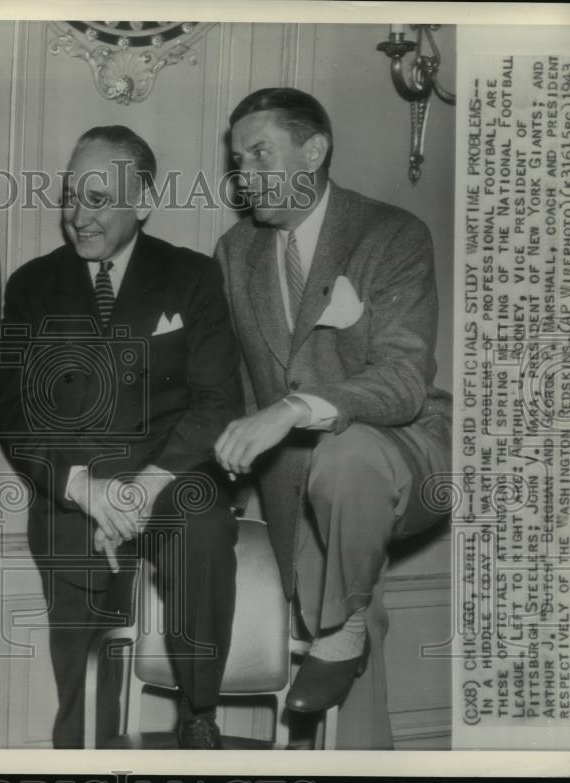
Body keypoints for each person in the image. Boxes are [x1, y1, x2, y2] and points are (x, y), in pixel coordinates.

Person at [213, 87, 452, 748]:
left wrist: (292, 407)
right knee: (350, 626)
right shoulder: (236, 253)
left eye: (261, 153)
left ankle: (340, 632)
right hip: (296, 489)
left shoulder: (390, 233)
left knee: (347, 460)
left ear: (313, 150)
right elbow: (236, 387)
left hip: (400, 457)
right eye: (237, 159)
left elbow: (404, 380)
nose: (244, 175)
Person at [0, 126, 241, 750]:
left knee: (202, 527)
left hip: (170, 478)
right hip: (77, 491)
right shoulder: (29, 286)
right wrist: (85, 489)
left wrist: (141, 490)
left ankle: (198, 714)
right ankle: (81, 747)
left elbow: (217, 402)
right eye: (71, 196)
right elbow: (14, 415)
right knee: (82, 666)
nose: (78, 217)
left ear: (144, 201)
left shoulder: (192, 277)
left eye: (99, 199)